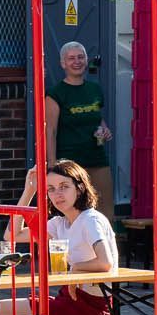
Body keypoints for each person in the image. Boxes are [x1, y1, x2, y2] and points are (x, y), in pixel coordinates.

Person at [10, 159, 116, 315]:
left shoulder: (90, 219)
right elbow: (13, 234)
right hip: (67, 302)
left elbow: (104, 262)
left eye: (64, 186)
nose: (57, 194)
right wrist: (29, 191)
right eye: (51, 189)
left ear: (80, 188)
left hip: (88, 313)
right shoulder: (60, 223)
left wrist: (74, 271)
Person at [45, 41, 114, 221]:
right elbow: (50, 129)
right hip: (70, 164)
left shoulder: (94, 89)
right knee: (73, 210)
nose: (77, 62)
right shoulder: (56, 93)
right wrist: (52, 165)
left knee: (104, 210)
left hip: (97, 159)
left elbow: (97, 117)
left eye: (81, 57)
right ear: (63, 64)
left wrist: (105, 130)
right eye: (71, 58)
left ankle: (106, 247)